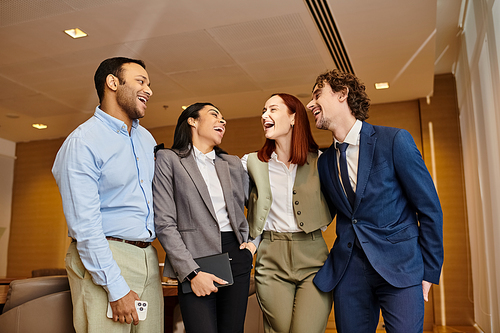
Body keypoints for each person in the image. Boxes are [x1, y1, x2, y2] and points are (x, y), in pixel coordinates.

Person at [306, 69, 444, 333]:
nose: (311, 104)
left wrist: (429, 271)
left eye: (317, 94)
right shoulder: (324, 162)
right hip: (349, 272)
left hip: (400, 268)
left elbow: (429, 208)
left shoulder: (394, 140)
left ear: (342, 94)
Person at [52, 57, 163, 332]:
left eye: (149, 84)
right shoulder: (83, 142)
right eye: (141, 81)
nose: (149, 90)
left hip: (148, 256)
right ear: (112, 83)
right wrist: (115, 288)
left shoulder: (146, 139)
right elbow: (85, 226)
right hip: (106, 257)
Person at [153, 103, 254, 333]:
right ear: (192, 121)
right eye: (214, 115)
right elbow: (164, 223)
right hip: (196, 259)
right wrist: (191, 272)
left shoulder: (233, 164)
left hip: (236, 254)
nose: (223, 121)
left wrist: (252, 246)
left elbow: (259, 205)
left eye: (223, 117)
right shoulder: (168, 159)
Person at [242, 93, 333, 333]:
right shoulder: (251, 163)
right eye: (263, 110)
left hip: (313, 257)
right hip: (271, 257)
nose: (265, 116)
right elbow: (229, 204)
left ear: (293, 118)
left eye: (273, 109)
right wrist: (251, 242)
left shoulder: (321, 162)